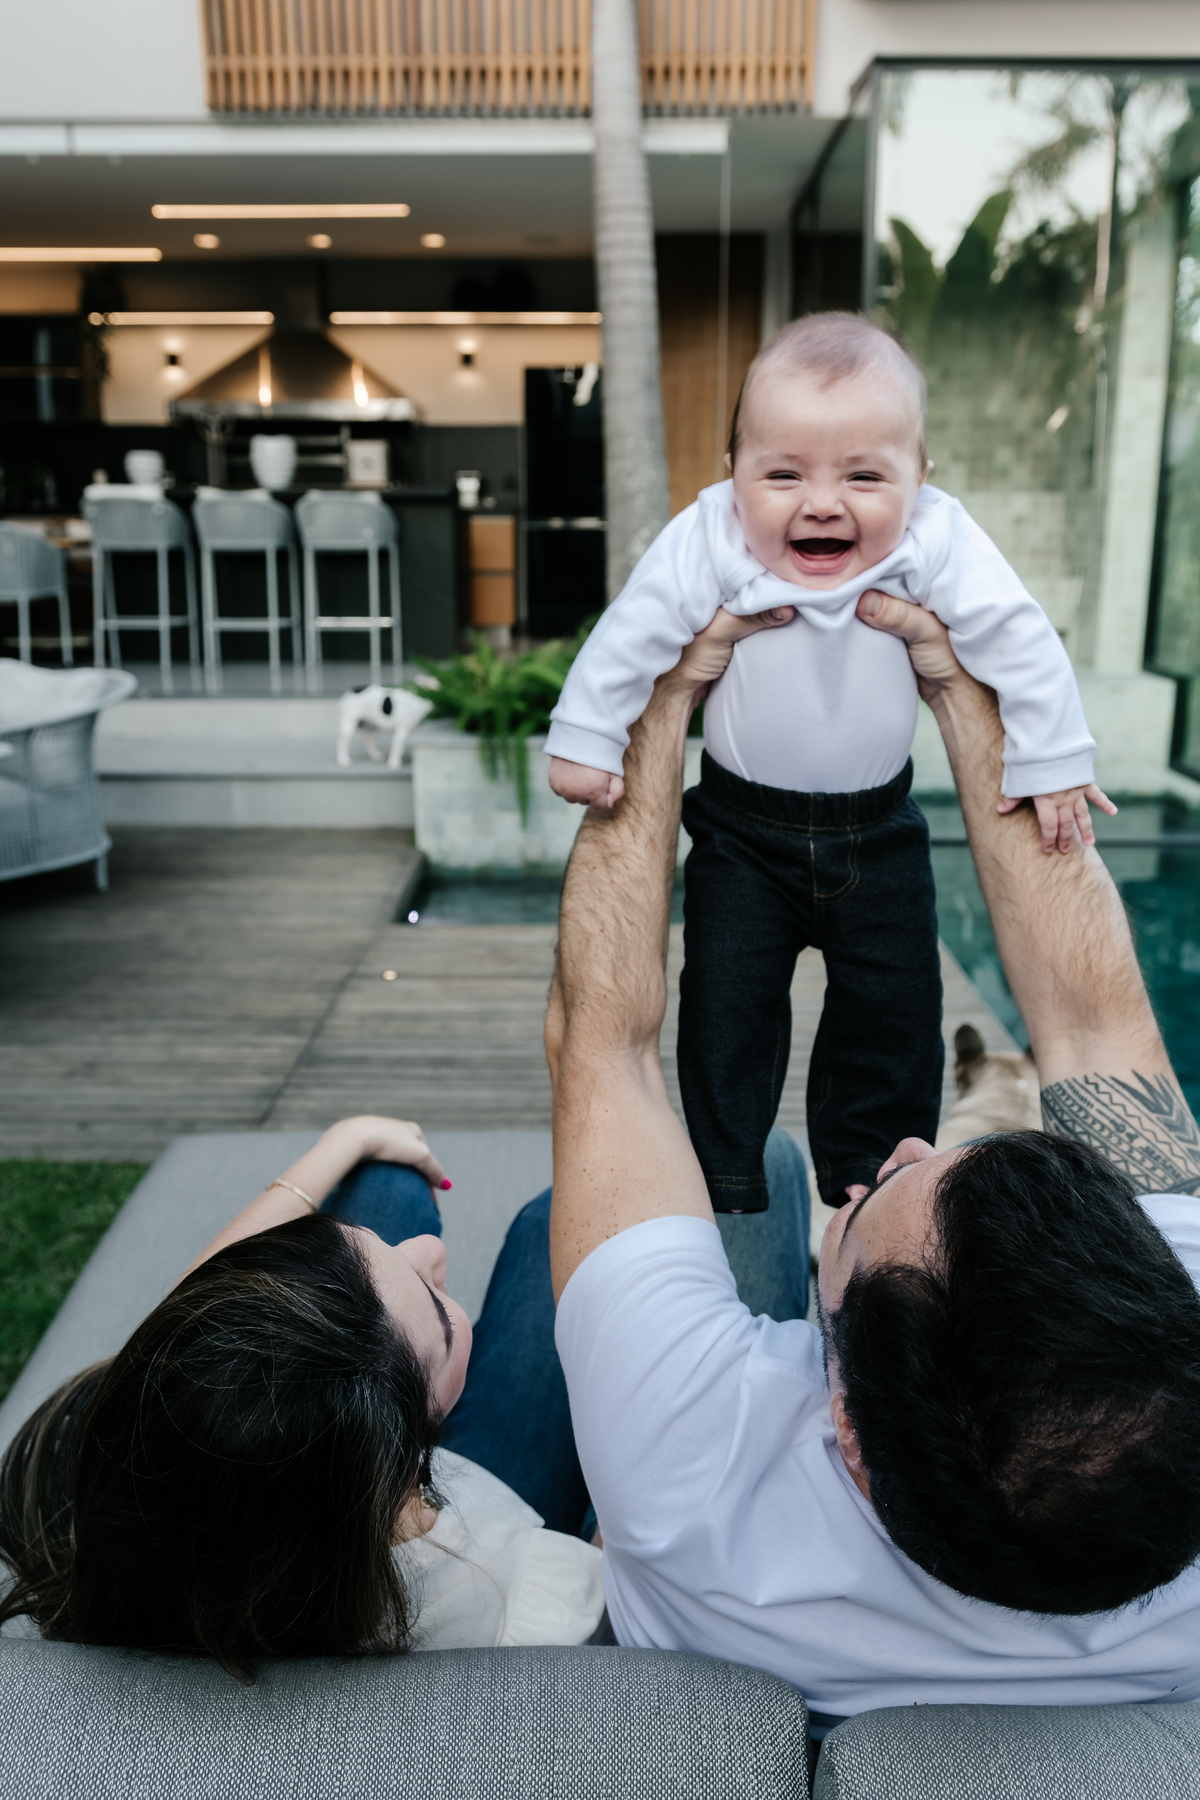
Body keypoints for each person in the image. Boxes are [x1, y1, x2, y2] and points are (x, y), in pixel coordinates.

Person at [546, 595, 1200, 1737]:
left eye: (888, 1191)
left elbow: (606, 1049)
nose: (907, 1145)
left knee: (732, 1178)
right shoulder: (1168, 1289)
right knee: (779, 1179)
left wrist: (660, 702)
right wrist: (954, 680)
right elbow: (1096, 1029)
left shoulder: (688, 1474)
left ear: (842, 1425)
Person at [545, 313, 1113, 1211]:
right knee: (726, 1007)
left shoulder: (936, 538)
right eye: (783, 473)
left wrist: (1051, 759)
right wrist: (587, 736)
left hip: (878, 834)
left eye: (863, 475)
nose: (821, 502)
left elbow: (1018, 636)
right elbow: (634, 631)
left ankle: (867, 1180)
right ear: (733, 475)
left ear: (920, 478)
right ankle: (725, 1171)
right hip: (740, 833)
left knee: (893, 1015)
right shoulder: (713, 536)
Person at [0, 1107, 812, 1677]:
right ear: (404, 1459)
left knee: (382, 1176)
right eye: (438, 1315)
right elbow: (672, 1563)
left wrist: (345, 1139)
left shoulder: (144, 1462)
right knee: (745, 1167)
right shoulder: (532, 1597)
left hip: (376, 1517)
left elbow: (211, 1311)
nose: (428, 1247)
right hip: (499, 1529)